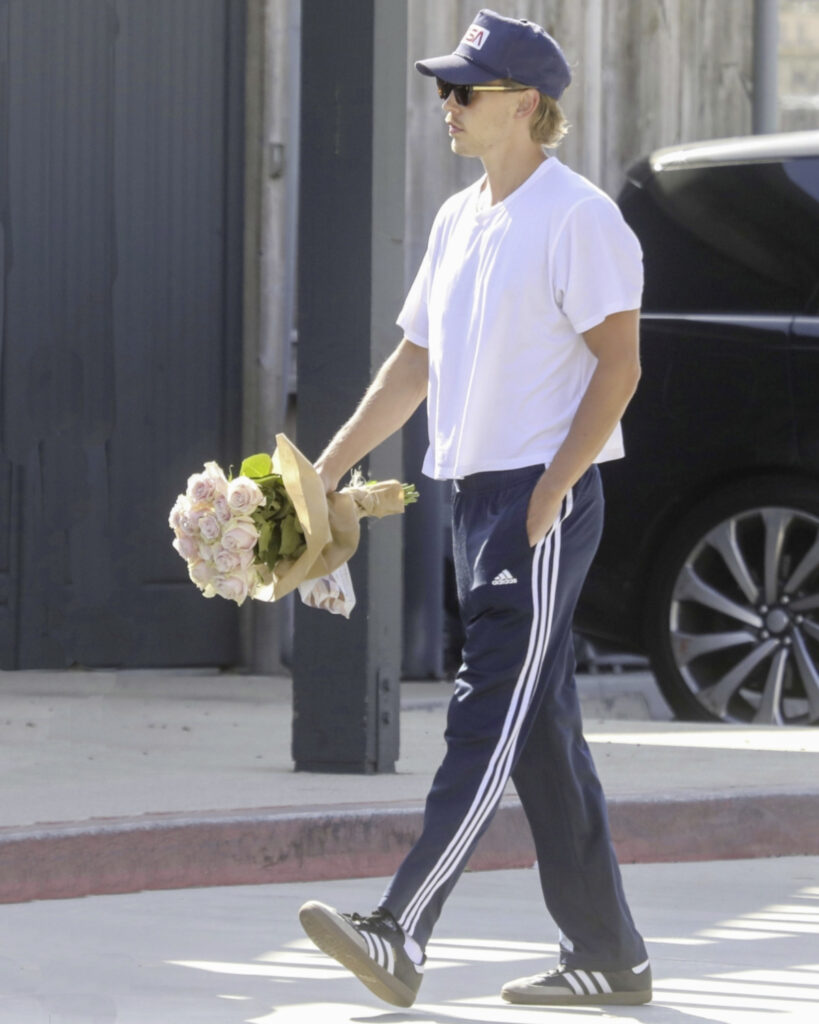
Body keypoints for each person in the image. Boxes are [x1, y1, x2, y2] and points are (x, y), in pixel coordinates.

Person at [298, 7, 651, 1009]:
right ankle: (610, 954)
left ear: (529, 106)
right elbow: (414, 363)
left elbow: (620, 368)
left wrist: (551, 491)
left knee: (482, 714)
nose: (446, 105)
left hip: (536, 501)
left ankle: (401, 928)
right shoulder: (461, 219)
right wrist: (323, 469)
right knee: (537, 733)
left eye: (467, 90)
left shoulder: (580, 218)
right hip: (472, 501)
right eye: (445, 89)